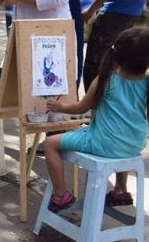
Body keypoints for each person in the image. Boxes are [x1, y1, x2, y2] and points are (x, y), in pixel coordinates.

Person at [43, 25, 149, 212]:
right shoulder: (146, 83)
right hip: (134, 145)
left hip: (101, 143)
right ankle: (120, 189)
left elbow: (81, 107)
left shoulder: (105, 80)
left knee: (50, 144)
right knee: (121, 137)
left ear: (117, 53)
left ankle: (60, 195)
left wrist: (60, 107)